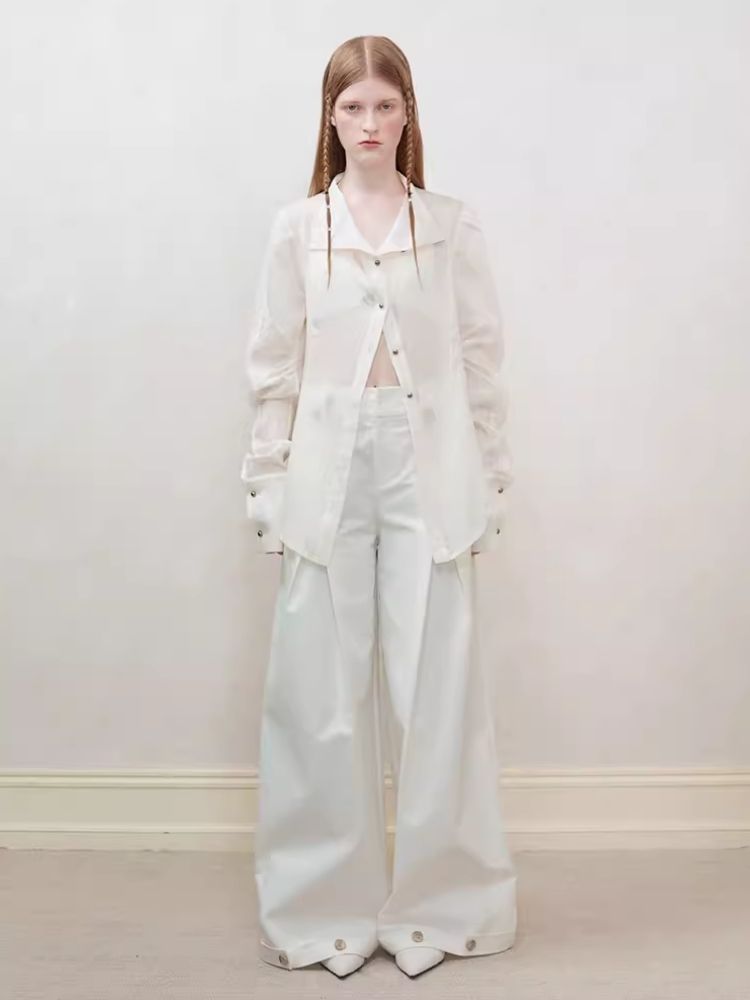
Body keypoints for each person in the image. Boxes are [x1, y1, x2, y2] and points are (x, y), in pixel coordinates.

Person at [241, 35, 517, 980]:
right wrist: (268, 485)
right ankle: (324, 914)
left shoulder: (447, 226)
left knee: (437, 688)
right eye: (352, 107)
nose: (369, 123)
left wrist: (489, 479)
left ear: (408, 113)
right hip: (324, 468)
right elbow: (274, 366)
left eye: (385, 106)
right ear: (330, 116)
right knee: (319, 696)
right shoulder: (298, 230)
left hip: (428, 464)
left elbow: (480, 359)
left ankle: (446, 909)